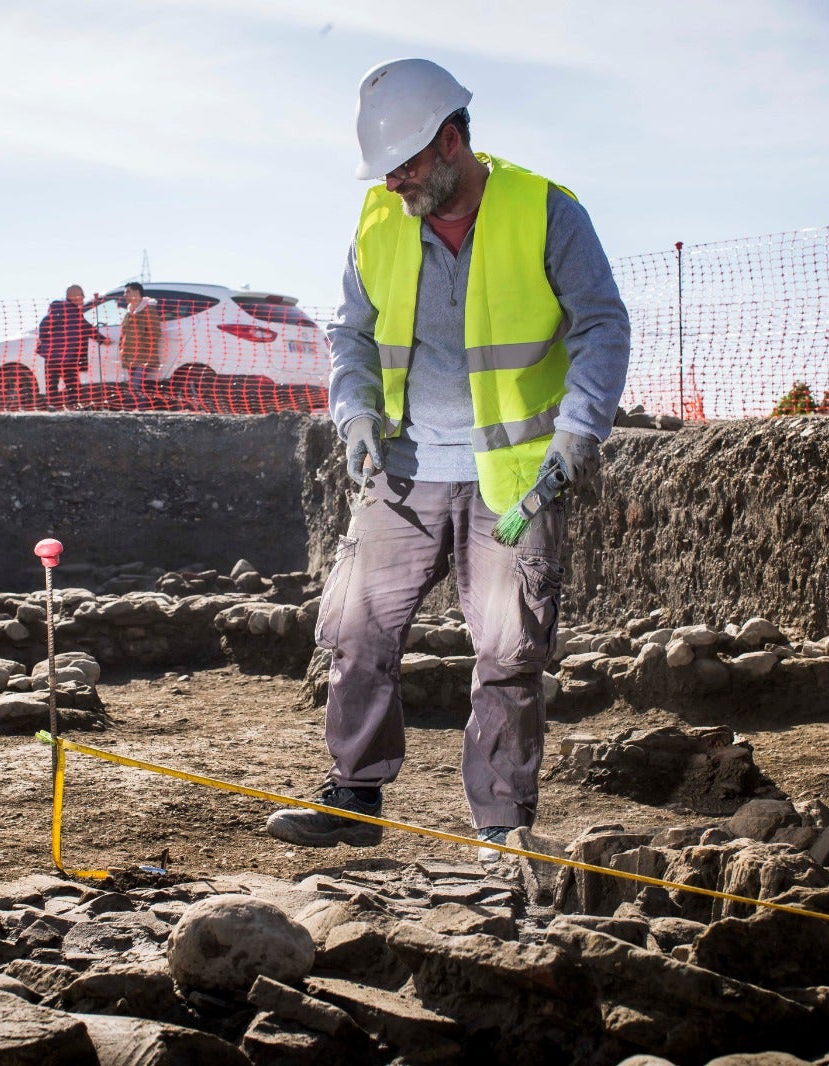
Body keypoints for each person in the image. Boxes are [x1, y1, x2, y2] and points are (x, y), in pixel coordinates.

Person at [266, 58, 631, 863]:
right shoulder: (378, 220)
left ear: (453, 141)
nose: (395, 182)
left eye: (406, 165)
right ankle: (355, 794)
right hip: (401, 468)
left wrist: (578, 434)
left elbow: (602, 324)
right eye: (386, 169)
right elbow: (350, 336)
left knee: (508, 651)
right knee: (357, 630)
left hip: (516, 478)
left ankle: (503, 824)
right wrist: (355, 412)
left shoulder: (546, 212)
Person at [36, 284, 106, 408]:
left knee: (51, 383)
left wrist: (46, 344)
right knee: (72, 383)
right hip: (68, 356)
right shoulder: (72, 312)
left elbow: (43, 327)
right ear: (73, 296)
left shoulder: (55, 310)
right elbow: (86, 328)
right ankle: (75, 405)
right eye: (81, 296)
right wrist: (103, 339)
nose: (83, 300)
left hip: (51, 355)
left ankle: (52, 407)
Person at [118, 281, 162, 409]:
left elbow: (155, 333)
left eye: (128, 292)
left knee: (135, 385)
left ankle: (140, 411)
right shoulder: (129, 312)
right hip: (131, 357)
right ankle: (138, 410)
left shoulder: (148, 310)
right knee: (136, 385)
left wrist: (142, 346)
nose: (125, 295)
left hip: (143, 356)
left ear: (137, 292)